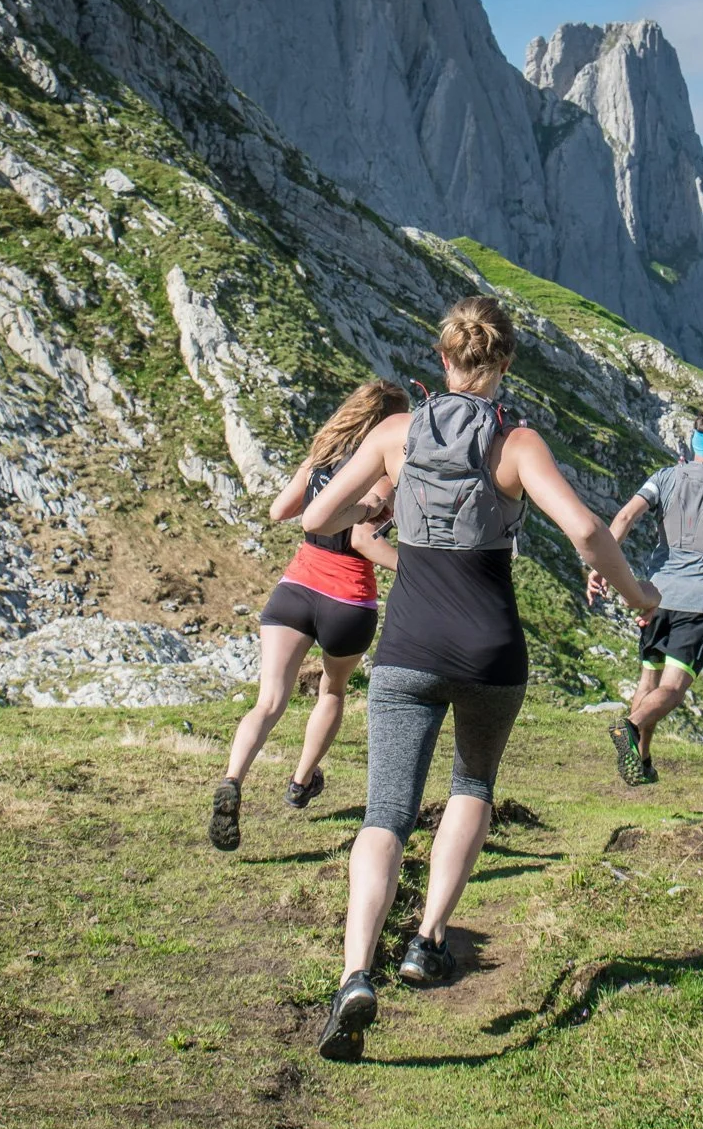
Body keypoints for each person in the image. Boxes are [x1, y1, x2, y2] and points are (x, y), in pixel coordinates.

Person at [300, 295, 661, 1062]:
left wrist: (386, 498)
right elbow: (588, 531)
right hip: (492, 650)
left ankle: (355, 972)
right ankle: (427, 940)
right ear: (504, 364)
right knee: (471, 788)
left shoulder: (396, 434)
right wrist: (639, 597)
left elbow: (318, 517)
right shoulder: (516, 442)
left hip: (407, 646)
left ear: (443, 358)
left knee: (384, 816)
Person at [208, 380, 409, 852]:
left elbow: (281, 509)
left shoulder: (320, 455)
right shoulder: (379, 470)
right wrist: (417, 569)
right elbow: (362, 541)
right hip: (349, 600)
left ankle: (234, 777)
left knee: (269, 701)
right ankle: (301, 781)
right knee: (332, 690)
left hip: (295, 590)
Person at [589, 409, 703, 786]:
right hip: (699, 604)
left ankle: (643, 762)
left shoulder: (665, 478)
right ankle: (630, 726)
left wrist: (602, 565)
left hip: (656, 596)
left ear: (693, 444)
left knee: (648, 679)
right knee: (671, 688)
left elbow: (622, 519)